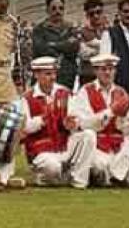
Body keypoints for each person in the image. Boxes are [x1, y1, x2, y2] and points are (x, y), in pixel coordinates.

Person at [70, 53, 129, 187]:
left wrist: (124, 122)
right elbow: (84, 123)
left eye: (111, 69)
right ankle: (114, 175)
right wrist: (110, 112)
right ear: (96, 71)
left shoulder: (121, 92)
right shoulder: (85, 92)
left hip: (118, 145)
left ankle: (125, 177)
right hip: (97, 146)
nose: (108, 73)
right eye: (103, 69)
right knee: (100, 168)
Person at [21, 57, 95, 189]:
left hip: (63, 145)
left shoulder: (65, 93)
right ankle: (46, 177)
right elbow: (25, 127)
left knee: (88, 135)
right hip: (41, 151)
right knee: (52, 167)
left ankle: (79, 180)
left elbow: (76, 117)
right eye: (48, 74)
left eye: (54, 73)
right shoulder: (27, 98)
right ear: (36, 75)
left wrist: (73, 123)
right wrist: (43, 119)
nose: (53, 77)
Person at [32, 0, 81, 91]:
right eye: (53, 8)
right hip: (45, 78)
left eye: (61, 8)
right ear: (47, 10)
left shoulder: (70, 28)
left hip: (67, 77)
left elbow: (74, 48)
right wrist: (64, 45)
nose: (57, 11)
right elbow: (41, 50)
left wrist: (53, 44)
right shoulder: (39, 29)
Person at [76, 0, 108, 87]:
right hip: (88, 76)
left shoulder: (109, 31)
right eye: (91, 14)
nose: (96, 16)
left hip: (106, 75)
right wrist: (104, 47)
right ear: (87, 15)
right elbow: (84, 54)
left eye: (98, 12)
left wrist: (93, 45)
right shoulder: (81, 32)